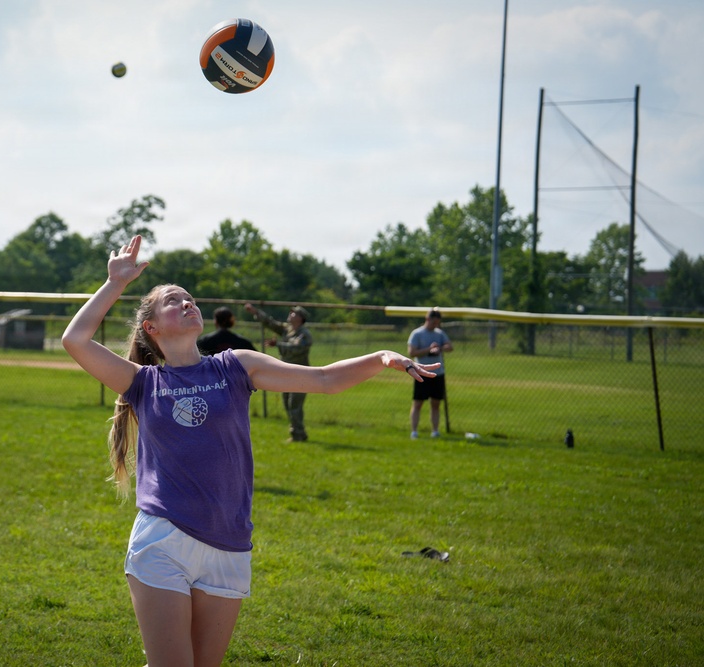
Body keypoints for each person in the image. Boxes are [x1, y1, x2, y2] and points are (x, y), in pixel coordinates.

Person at [61, 236, 436, 667]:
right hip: (164, 540)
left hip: (230, 544)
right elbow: (76, 341)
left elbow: (325, 380)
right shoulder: (143, 382)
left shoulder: (235, 365)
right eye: (173, 301)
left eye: (190, 300)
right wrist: (113, 284)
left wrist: (382, 357)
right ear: (152, 328)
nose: (188, 304)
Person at [243, 302, 313, 442]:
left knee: (294, 405)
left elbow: (297, 349)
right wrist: (255, 312)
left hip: (300, 375)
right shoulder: (288, 330)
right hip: (287, 373)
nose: (290, 314)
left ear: (300, 318)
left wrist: (278, 344)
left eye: (293, 313)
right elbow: (270, 323)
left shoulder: (304, 334)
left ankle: (298, 434)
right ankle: (298, 433)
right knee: (288, 403)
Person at [407, 307, 454, 439]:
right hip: (421, 373)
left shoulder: (439, 333)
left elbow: (450, 347)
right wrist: (429, 349)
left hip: (438, 374)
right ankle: (414, 432)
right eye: (434, 322)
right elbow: (412, 352)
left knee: (436, 403)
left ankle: (435, 431)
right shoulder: (417, 334)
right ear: (427, 319)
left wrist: (440, 348)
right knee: (418, 403)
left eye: (437, 323)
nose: (435, 325)